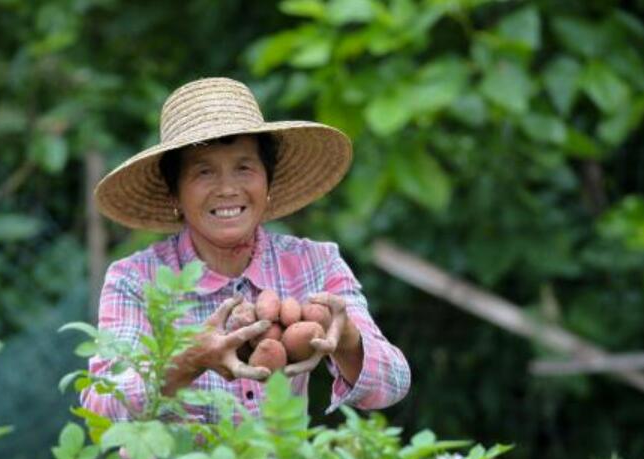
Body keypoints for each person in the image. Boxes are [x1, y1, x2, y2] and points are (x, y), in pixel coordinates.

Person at [83, 77, 410, 423]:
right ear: (174, 195)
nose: (227, 189)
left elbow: (393, 385)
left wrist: (345, 337)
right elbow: (101, 409)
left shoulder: (315, 263)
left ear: (268, 183)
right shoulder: (135, 279)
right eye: (204, 172)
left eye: (244, 168)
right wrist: (189, 360)